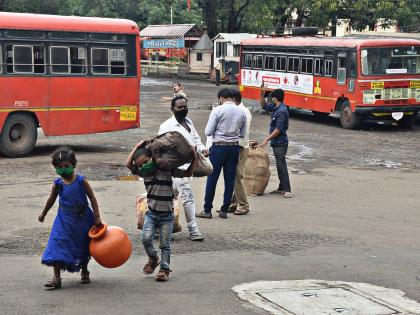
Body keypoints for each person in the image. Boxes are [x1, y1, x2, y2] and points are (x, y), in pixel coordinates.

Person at [126, 142, 196, 282]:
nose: (143, 166)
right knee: (145, 239)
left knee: (165, 244)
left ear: (153, 158)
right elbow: (128, 164)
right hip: (151, 214)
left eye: (145, 162)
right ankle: (153, 259)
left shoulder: (166, 169)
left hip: (167, 217)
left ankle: (164, 269)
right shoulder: (144, 173)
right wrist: (136, 146)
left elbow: (187, 173)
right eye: (140, 165)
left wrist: (194, 158)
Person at [38, 146, 102, 289]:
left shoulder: (81, 181)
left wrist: (97, 216)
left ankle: (84, 270)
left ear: (73, 165)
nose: (63, 169)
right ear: (55, 168)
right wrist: (43, 213)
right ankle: (56, 278)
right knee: (56, 243)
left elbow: (92, 197)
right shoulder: (58, 184)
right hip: (63, 221)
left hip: (83, 220)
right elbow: (51, 200)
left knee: (83, 245)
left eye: (66, 166)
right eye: (59, 167)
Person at [158, 96, 207, 241]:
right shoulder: (166, 126)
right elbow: (159, 148)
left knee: (170, 197)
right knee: (186, 197)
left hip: (188, 167)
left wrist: (202, 149)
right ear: (172, 109)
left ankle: (162, 227)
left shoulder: (189, 122)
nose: (184, 109)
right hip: (175, 169)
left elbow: (196, 139)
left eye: (185, 107)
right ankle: (193, 229)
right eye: (180, 107)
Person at [197, 88, 246, 219]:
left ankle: (207, 210)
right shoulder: (242, 112)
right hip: (234, 148)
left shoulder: (217, 110)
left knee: (212, 179)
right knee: (229, 179)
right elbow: (242, 134)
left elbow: (208, 131)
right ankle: (224, 210)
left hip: (218, 148)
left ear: (221, 98)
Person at [259, 85, 293, 198]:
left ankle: (287, 189)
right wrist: (261, 94)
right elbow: (264, 106)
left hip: (280, 143)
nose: (271, 99)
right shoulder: (275, 107)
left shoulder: (282, 111)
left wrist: (266, 139)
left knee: (281, 165)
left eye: (272, 97)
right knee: (279, 165)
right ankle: (281, 187)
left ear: (275, 98)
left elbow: (278, 129)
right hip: (276, 142)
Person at [229, 89, 252, 215]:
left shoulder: (242, 111)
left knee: (237, 177)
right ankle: (233, 204)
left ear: (234, 100)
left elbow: (242, 134)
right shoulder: (242, 110)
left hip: (240, 147)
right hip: (241, 146)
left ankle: (243, 205)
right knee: (235, 176)